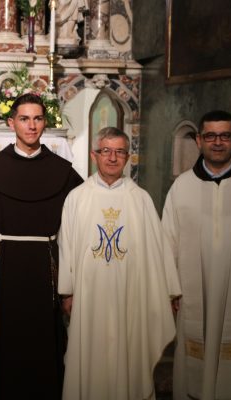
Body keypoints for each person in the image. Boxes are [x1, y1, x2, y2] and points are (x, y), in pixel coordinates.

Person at [58, 126, 180, 400]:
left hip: (131, 295)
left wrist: (168, 291)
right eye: (106, 151)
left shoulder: (141, 199)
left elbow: (157, 251)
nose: (112, 158)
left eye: (119, 152)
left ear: (127, 157)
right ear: (94, 155)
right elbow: (66, 245)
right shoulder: (77, 198)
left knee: (130, 354)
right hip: (87, 297)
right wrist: (67, 292)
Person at [0, 94, 83, 400]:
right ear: (11, 122)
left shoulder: (62, 170)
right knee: (4, 339)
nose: (31, 125)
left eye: (37, 119)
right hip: (3, 267)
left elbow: (83, 214)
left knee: (42, 340)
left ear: (45, 123)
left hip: (44, 266)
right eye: (24, 119)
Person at [162, 110, 231, 400]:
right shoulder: (182, 186)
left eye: (225, 136)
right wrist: (172, 289)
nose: (217, 142)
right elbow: (167, 240)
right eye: (210, 136)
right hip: (194, 293)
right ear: (198, 140)